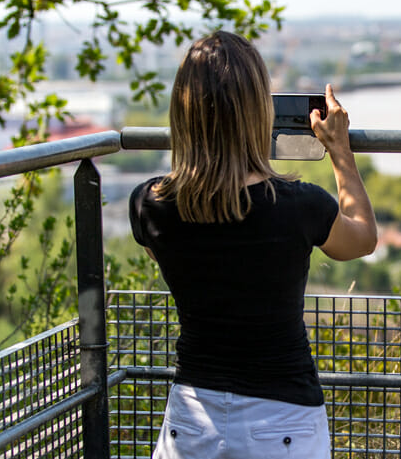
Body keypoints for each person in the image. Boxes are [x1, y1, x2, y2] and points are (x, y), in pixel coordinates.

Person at [129, 30, 377, 459]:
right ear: (258, 111)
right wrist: (340, 151)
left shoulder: (150, 206)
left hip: (191, 421)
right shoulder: (301, 207)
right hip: (284, 422)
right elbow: (362, 238)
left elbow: (164, 251)